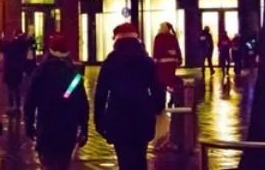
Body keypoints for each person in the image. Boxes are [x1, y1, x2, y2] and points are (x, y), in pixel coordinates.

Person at [94, 23, 165, 170]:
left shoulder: (111, 62)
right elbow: (158, 89)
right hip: (142, 117)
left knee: (124, 159)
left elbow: (101, 93)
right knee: (140, 157)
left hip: (118, 117)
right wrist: (156, 108)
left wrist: (99, 120)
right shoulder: (146, 61)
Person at [25, 33, 89, 170]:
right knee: (63, 164)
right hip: (67, 128)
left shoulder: (40, 72)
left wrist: (29, 124)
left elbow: (30, 101)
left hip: (46, 127)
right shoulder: (74, 75)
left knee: (47, 163)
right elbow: (82, 103)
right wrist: (84, 127)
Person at [0, 30, 29, 114]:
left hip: (10, 69)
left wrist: (1, 40)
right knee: (17, 88)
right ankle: (17, 106)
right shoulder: (23, 46)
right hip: (18, 69)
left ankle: (11, 106)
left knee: (10, 89)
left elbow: (2, 48)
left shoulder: (12, 45)